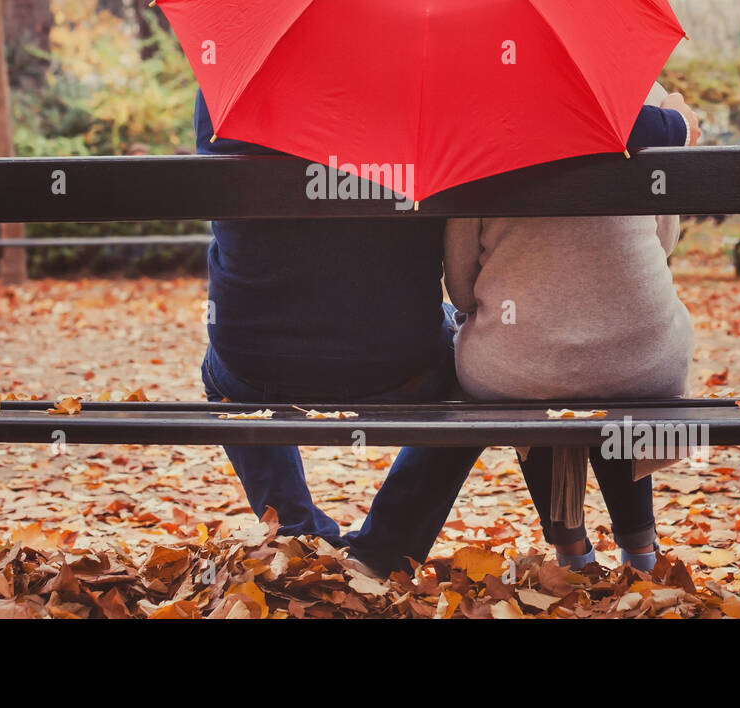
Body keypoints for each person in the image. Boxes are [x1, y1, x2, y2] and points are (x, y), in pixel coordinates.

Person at [195, 87, 696, 577]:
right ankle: (385, 549)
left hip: (251, 355)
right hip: (395, 361)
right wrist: (671, 122)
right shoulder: (421, 77)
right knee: (464, 378)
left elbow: (220, 192)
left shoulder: (228, 85)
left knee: (223, 372)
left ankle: (296, 533)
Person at [443, 83, 698, 573]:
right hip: (644, 362)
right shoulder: (639, 102)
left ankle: (572, 552)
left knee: (530, 360)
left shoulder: (473, 120)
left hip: (516, 369)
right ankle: (641, 549)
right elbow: (663, 244)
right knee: (609, 362)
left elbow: (460, 287)